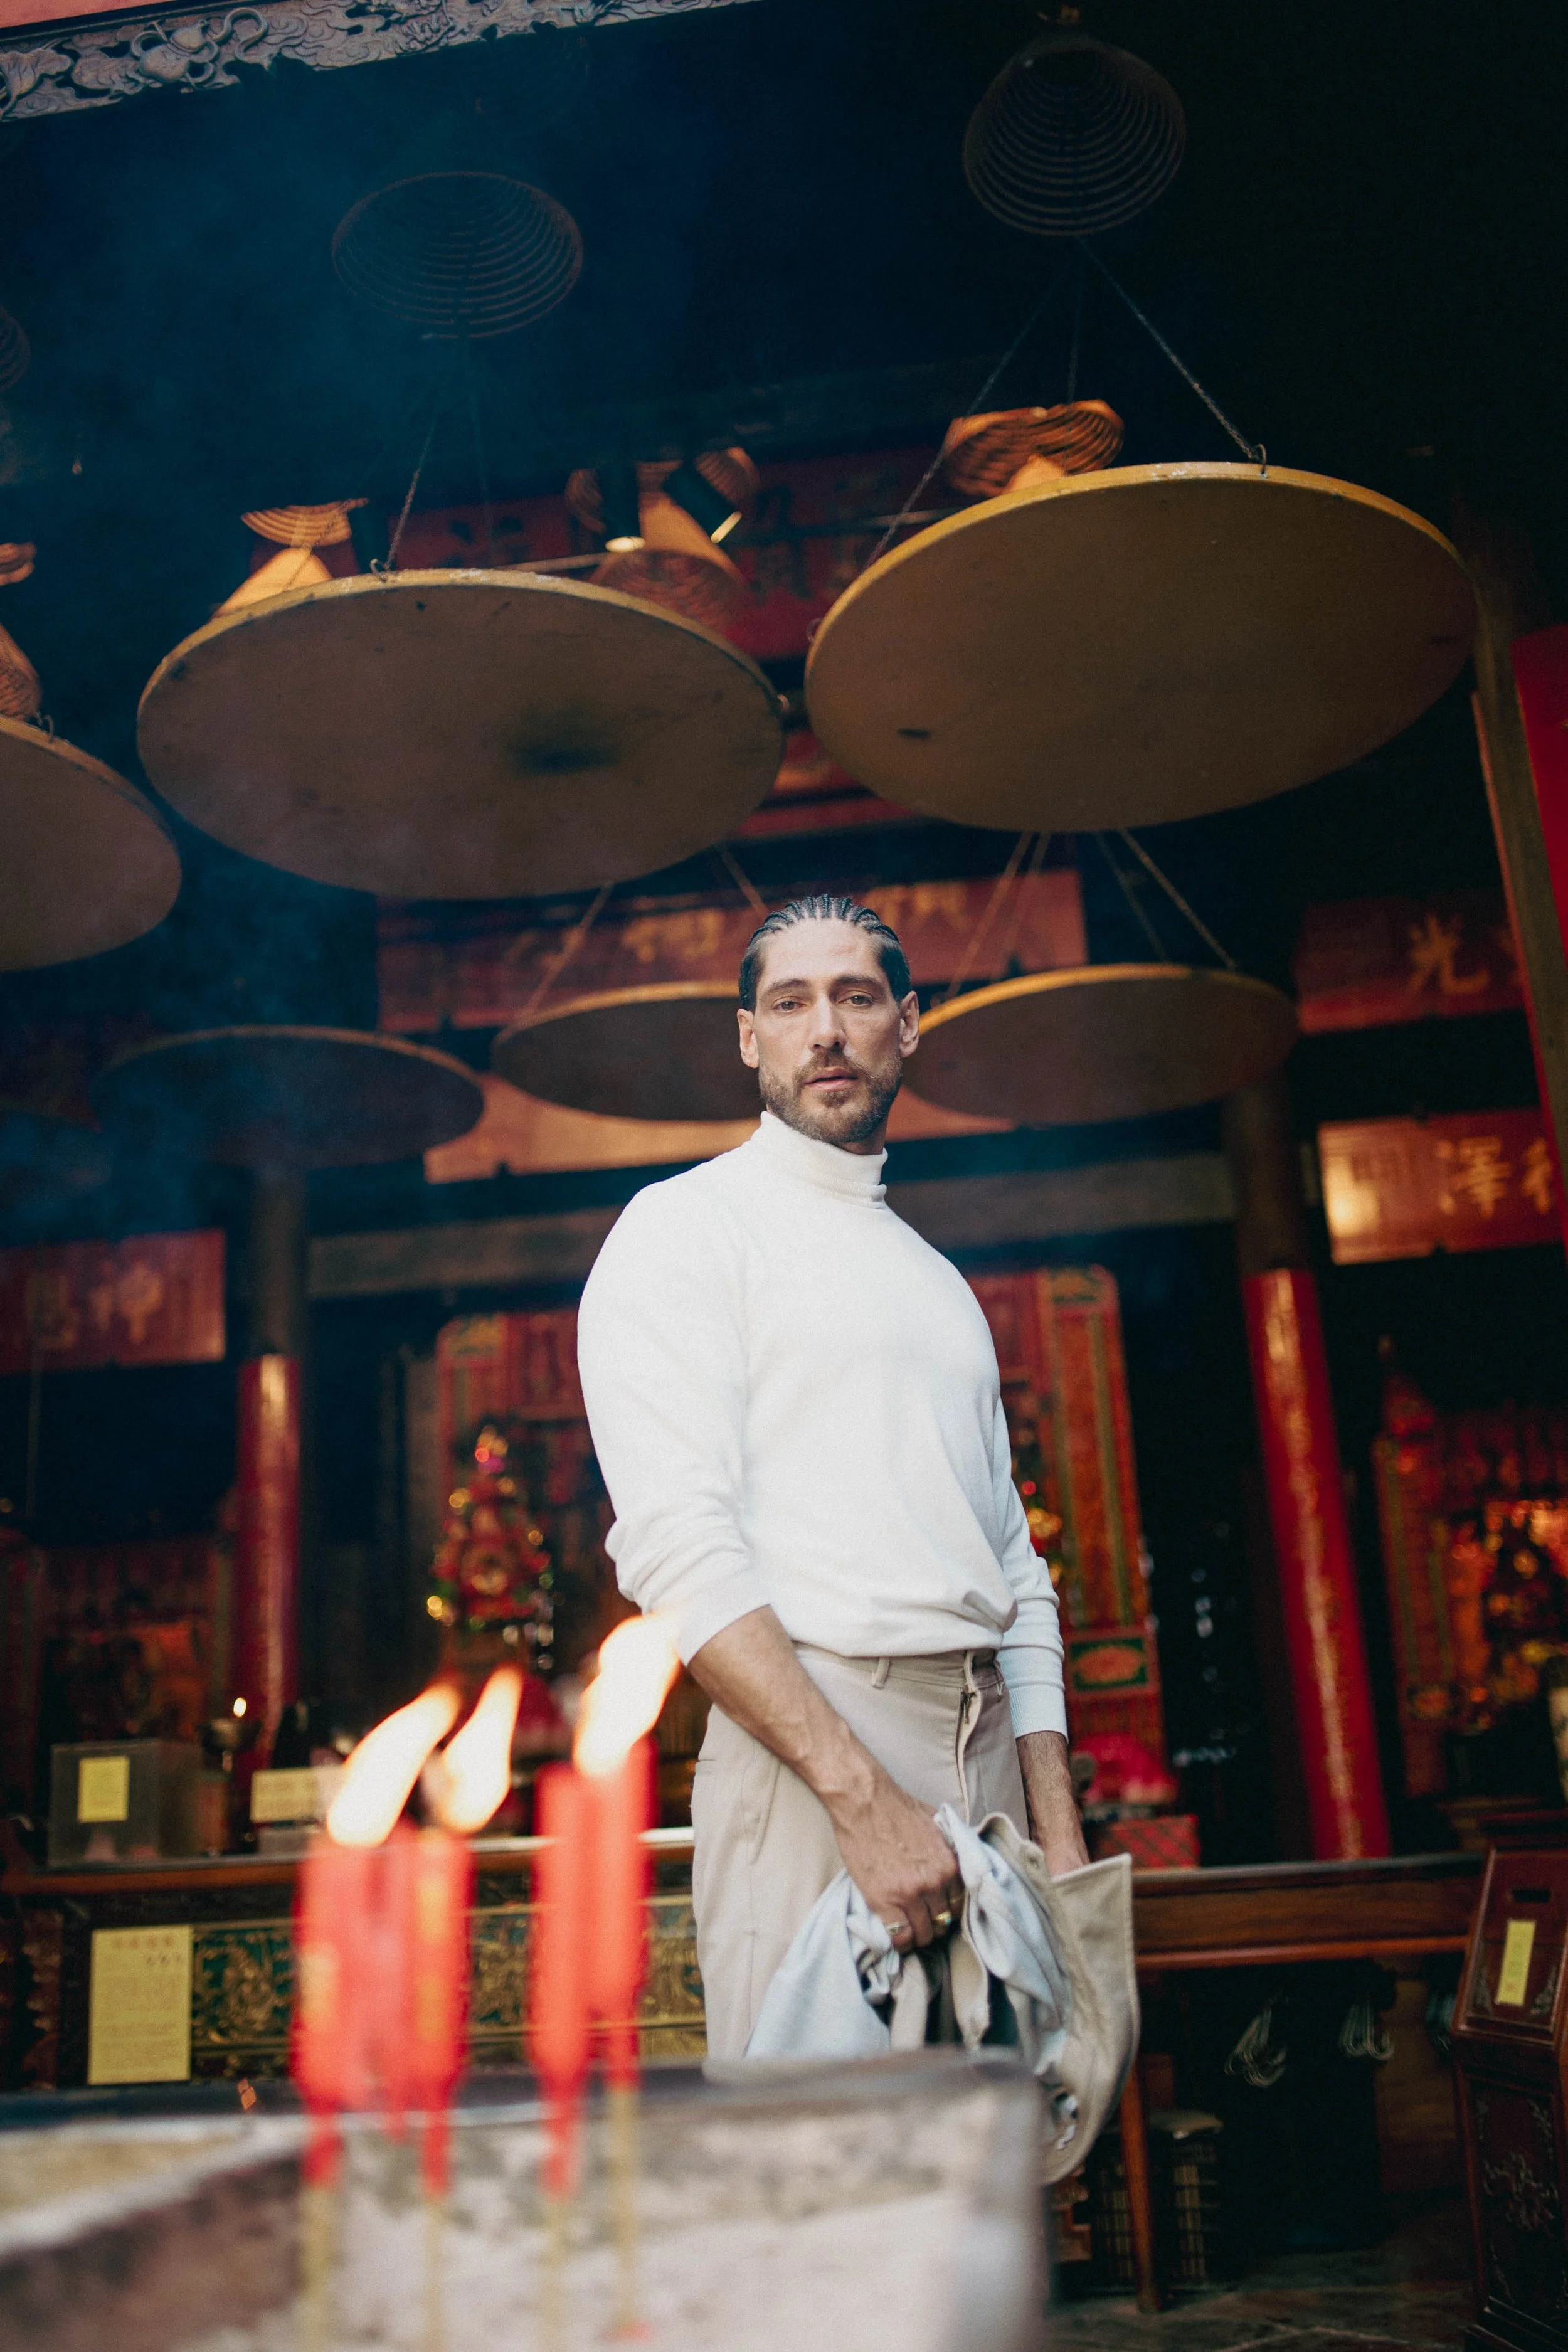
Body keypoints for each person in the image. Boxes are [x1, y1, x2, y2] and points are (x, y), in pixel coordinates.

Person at [576, 894, 1088, 2058]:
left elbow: (1015, 1566)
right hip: (817, 1748)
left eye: (856, 998)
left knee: (987, 2186)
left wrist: (1055, 1826)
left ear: (907, 1025)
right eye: (790, 1002)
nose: (826, 1030)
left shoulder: (936, 1283)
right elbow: (680, 1551)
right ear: (748, 1037)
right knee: (814, 2192)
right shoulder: (685, 1231)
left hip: (989, 1756)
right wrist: (861, 1797)